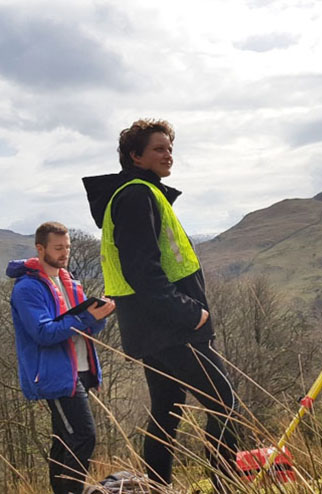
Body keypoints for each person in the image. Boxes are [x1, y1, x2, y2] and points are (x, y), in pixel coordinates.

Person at [82, 119, 238, 491]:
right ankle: (225, 486)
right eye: (158, 148)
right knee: (225, 407)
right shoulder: (136, 195)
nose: (168, 154)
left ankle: (158, 488)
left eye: (169, 148)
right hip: (171, 328)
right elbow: (143, 271)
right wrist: (190, 313)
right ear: (135, 156)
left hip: (150, 328)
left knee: (166, 412)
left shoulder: (137, 193)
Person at [7, 221, 115, 494]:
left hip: (80, 368)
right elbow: (43, 332)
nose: (64, 252)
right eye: (58, 248)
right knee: (83, 436)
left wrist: (99, 316)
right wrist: (86, 318)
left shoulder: (71, 282)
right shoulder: (27, 288)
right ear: (40, 248)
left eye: (67, 247)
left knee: (64, 439)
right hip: (55, 374)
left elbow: (85, 328)